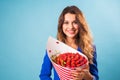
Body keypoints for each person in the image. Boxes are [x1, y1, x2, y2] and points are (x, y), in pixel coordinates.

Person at [39, 5, 99, 80]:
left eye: (75, 22)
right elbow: (44, 75)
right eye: (66, 22)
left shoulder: (90, 48)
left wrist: (87, 76)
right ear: (61, 25)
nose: (71, 27)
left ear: (80, 25)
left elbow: (95, 77)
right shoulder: (53, 48)